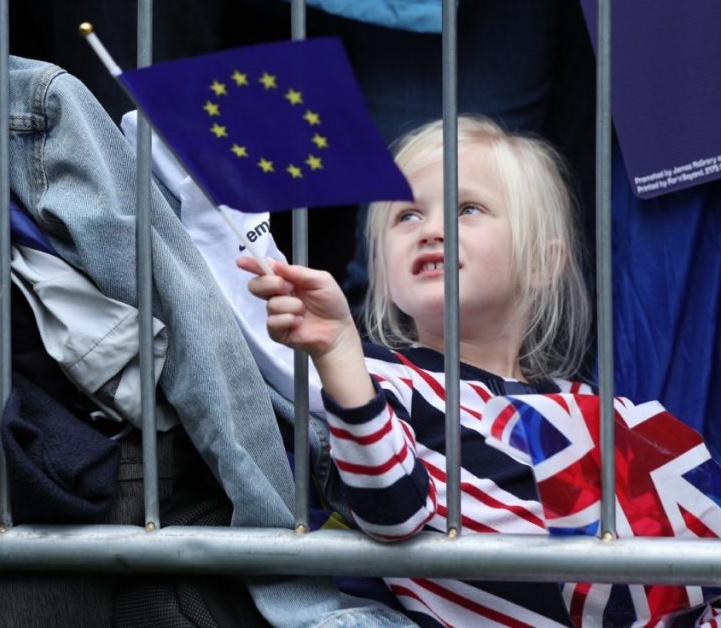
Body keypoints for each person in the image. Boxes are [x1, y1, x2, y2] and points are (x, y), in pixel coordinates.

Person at [238, 115, 593, 626]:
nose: (430, 230)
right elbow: (393, 517)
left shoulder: (588, 408)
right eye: (406, 216)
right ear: (381, 269)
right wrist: (340, 350)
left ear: (541, 262)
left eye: (468, 208)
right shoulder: (382, 381)